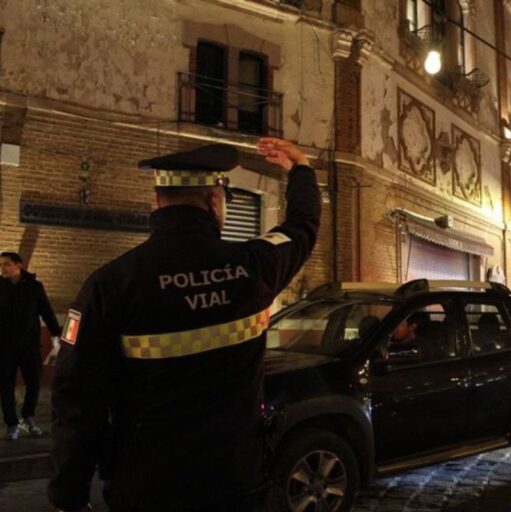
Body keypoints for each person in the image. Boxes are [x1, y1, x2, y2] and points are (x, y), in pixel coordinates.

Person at [47, 138, 321, 512]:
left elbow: (77, 402)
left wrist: (68, 496)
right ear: (214, 200)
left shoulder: (110, 284)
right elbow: (302, 226)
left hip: (147, 488)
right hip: (235, 483)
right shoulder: (254, 266)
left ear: (156, 202)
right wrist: (300, 168)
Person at [0, 251, 61, 441]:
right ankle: (12, 424)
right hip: (5, 346)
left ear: (19, 265)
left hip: (29, 345)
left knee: (34, 383)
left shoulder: (35, 287)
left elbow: (46, 312)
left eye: (6, 264)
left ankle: (28, 416)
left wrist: (56, 336)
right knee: (6, 386)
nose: (3, 268)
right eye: (1, 265)